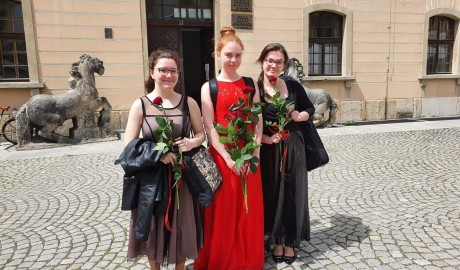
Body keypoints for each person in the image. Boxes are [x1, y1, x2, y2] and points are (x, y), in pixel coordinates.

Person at [123, 48, 206, 270]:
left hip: (182, 176)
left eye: (173, 70)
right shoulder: (140, 105)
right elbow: (129, 146)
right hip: (151, 178)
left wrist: (192, 142)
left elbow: (201, 134)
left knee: (182, 224)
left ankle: (180, 268)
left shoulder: (189, 103)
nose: (168, 75)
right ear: (152, 72)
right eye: (163, 70)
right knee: (153, 225)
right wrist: (158, 154)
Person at [193, 27, 265, 270]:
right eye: (229, 55)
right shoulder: (208, 88)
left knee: (248, 210)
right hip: (222, 157)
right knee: (223, 211)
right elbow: (210, 127)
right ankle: (223, 257)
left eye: (238, 55)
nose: (233, 60)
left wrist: (253, 153)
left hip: (248, 156)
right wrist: (228, 158)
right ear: (218, 55)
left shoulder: (249, 83)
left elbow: (258, 119)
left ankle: (248, 259)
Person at [257, 43, 315, 264]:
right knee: (272, 193)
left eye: (279, 62)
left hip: (293, 146)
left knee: (292, 192)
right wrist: (264, 139)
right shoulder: (255, 88)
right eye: (270, 60)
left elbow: (309, 108)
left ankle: (289, 241)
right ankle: (275, 239)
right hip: (269, 149)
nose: (273, 65)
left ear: (284, 65)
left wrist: (302, 115)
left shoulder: (292, 85)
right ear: (262, 62)